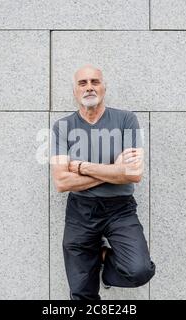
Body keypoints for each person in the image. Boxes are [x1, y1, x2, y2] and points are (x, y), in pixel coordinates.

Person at [50, 64, 155, 300]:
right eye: (82, 83)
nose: (89, 87)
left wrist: (81, 166)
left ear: (104, 87)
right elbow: (61, 181)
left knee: (139, 270)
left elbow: (134, 174)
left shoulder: (126, 120)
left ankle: (105, 262)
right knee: (81, 292)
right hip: (80, 211)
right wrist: (114, 170)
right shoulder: (62, 127)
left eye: (94, 81)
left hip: (120, 209)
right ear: (75, 91)